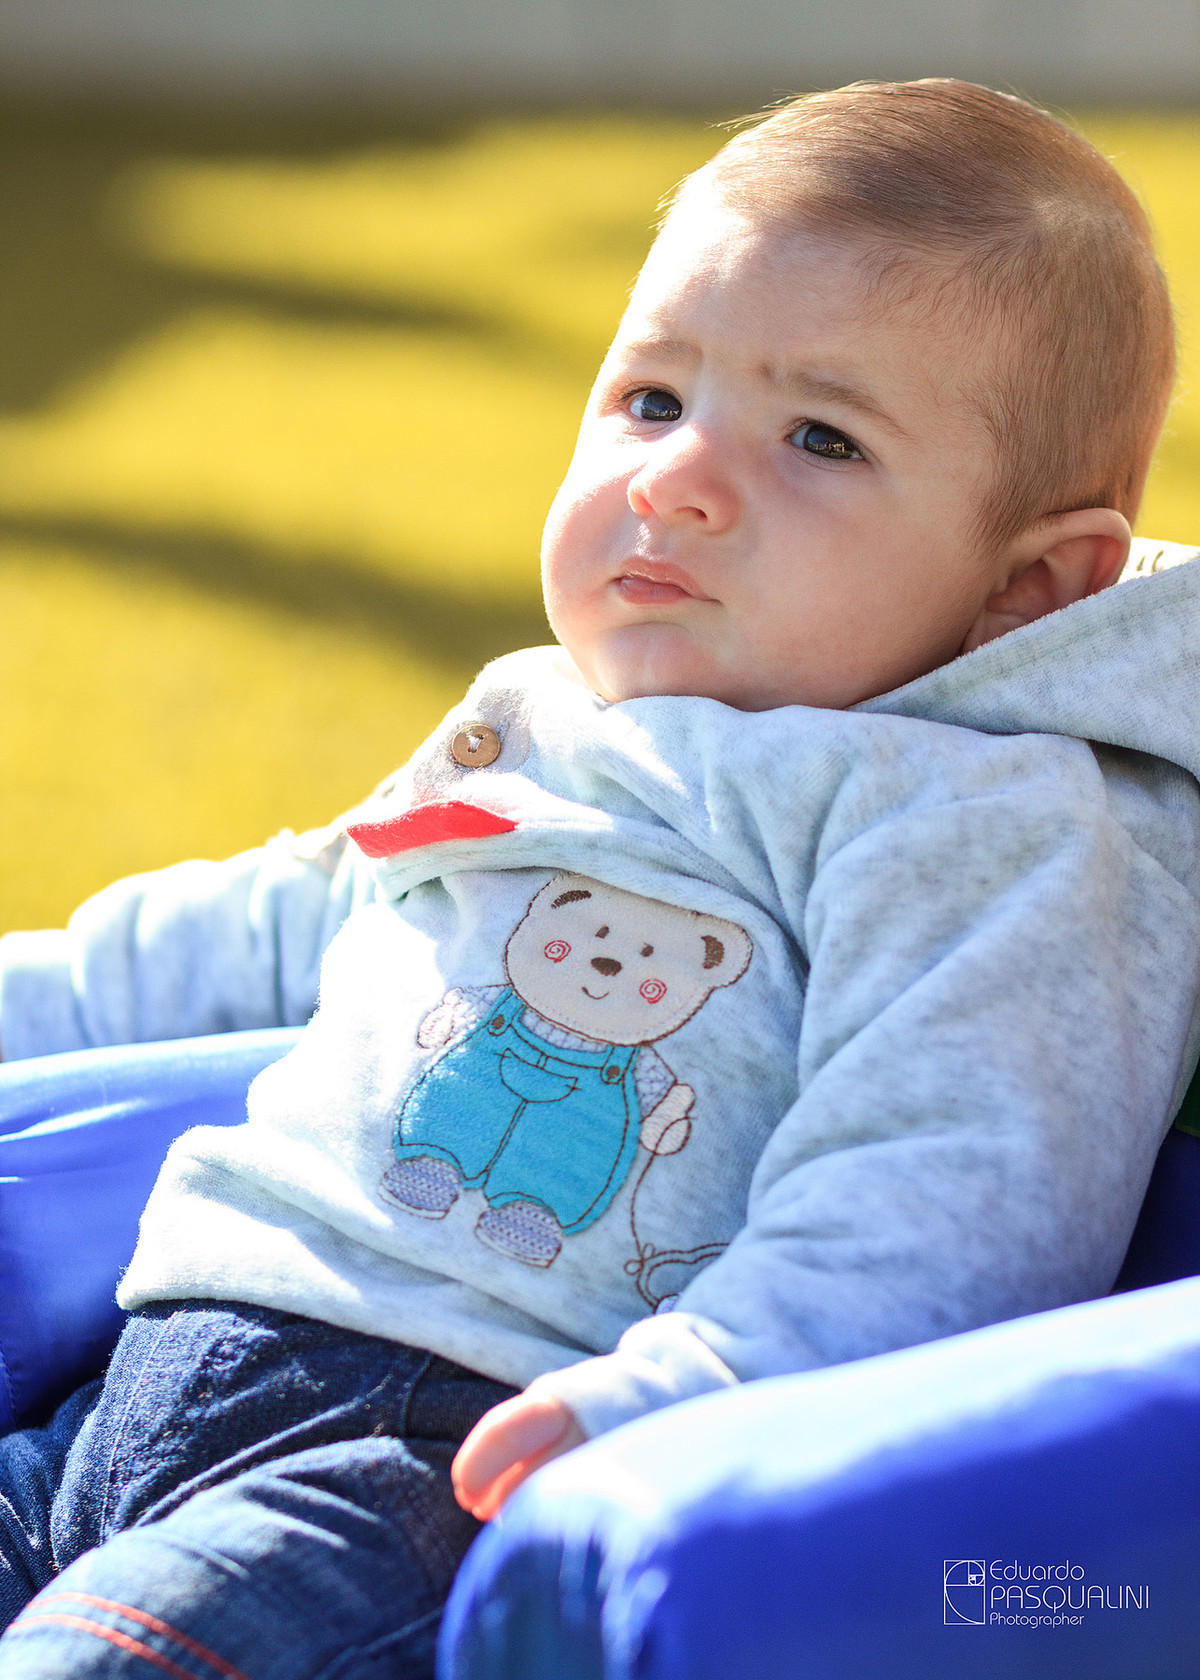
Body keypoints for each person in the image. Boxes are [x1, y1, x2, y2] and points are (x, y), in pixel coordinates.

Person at [1, 78, 1198, 1680]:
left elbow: (957, 1178)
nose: (681, 479)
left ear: (1026, 585)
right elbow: (261, 925)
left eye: (821, 438)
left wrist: (684, 1393)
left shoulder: (981, 818)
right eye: (651, 398)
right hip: (138, 1374)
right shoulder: (541, 723)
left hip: (441, 1456)